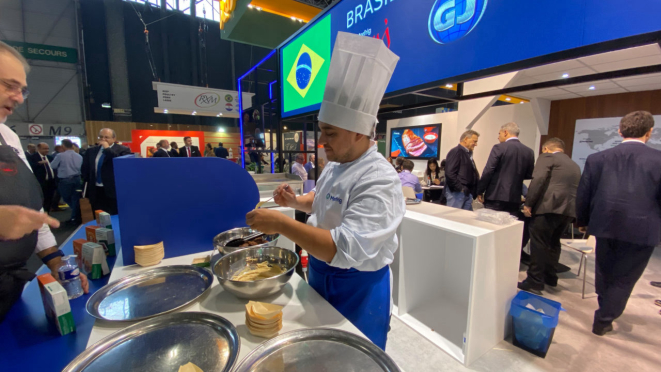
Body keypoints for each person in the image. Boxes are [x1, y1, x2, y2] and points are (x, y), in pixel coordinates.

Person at [245, 32, 403, 350]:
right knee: (318, 354)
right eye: (322, 132)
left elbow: (343, 249)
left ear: (360, 132)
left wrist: (280, 223)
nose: (321, 142)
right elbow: (322, 199)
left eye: (330, 133)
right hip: (318, 272)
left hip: (357, 287)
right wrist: (295, 201)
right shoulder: (337, 163)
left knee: (356, 360)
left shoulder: (380, 181)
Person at [0, 41, 88, 321]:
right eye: (8, 85)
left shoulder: (9, 138)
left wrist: (54, 260)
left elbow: (33, 214)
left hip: (9, 288)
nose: (19, 98)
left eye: (22, 89)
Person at [576, 111, 661, 336]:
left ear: (619, 130)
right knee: (625, 278)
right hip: (642, 230)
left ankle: (606, 307)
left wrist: (582, 222)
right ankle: (604, 317)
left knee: (604, 271)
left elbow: (584, 194)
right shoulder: (658, 160)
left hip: (604, 224)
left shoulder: (597, 158)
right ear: (649, 132)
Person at [517, 138, 581, 294]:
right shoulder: (574, 165)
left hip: (547, 208)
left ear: (546, 149)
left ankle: (534, 281)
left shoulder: (547, 157)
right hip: (567, 211)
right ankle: (550, 277)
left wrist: (528, 204)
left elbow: (538, 180)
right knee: (553, 243)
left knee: (538, 244)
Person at [476, 122, 535, 215]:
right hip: (515, 197)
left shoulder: (499, 148)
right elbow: (528, 174)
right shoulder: (529, 151)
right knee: (509, 226)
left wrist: (479, 190)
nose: (498, 137)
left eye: (499, 133)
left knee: (491, 225)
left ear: (505, 132)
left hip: (495, 195)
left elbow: (489, 170)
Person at [81, 128, 131, 215]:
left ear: (114, 139)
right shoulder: (91, 151)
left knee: (113, 215)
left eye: (106, 137)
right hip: (96, 190)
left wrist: (107, 149)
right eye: (101, 137)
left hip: (113, 190)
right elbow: (85, 169)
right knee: (99, 215)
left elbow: (118, 162)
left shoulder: (123, 150)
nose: (103, 139)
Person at [50, 139, 83, 225]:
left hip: (65, 180)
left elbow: (52, 166)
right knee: (75, 198)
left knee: (66, 198)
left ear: (63, 146)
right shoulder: (79, 156)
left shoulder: (60, 156)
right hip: (77, 179)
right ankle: (76, 216)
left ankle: (75, 215)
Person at [444, 130, 480, 210]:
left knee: (465, 219)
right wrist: (460, 188)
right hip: (457, 193)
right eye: (474, 141)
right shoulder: (456, 152)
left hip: (466, 193)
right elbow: (450, 173)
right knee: (454, 219)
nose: (476, 144)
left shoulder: (467, 154)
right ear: (466, 139)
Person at [29, 143, 58, 213]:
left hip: (51, 183)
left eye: (47, 148)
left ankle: (47, 215)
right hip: (40, 183)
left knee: (49, 200)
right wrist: (39, 163)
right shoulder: (33, 157)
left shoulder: (50, 157)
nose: (47, 150)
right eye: (44, 149)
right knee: (41, 201)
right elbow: (30, 167)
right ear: (38, 149)